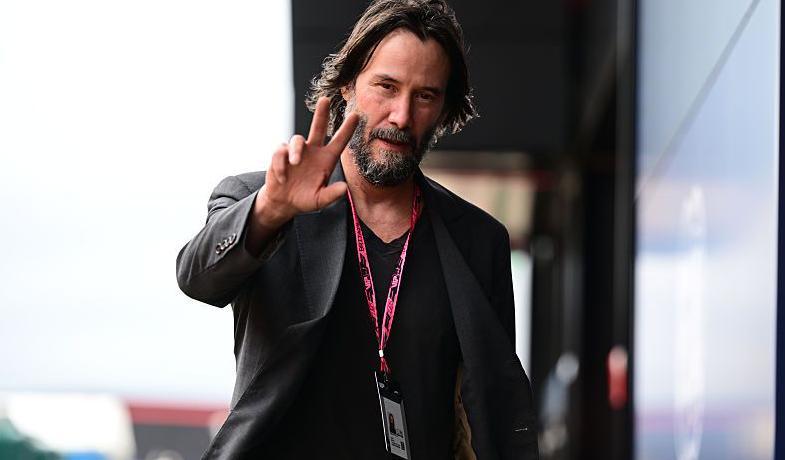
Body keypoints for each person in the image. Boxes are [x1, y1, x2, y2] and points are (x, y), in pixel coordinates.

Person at [176, 0, 537, 458]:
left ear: (444, 110)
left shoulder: (478, 241)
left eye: (425, 96)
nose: (402, 115)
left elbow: (495, 403)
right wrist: (270, 209)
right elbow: (197, 277)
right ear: (347, 84)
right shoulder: (261, 200)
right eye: (386, 86)